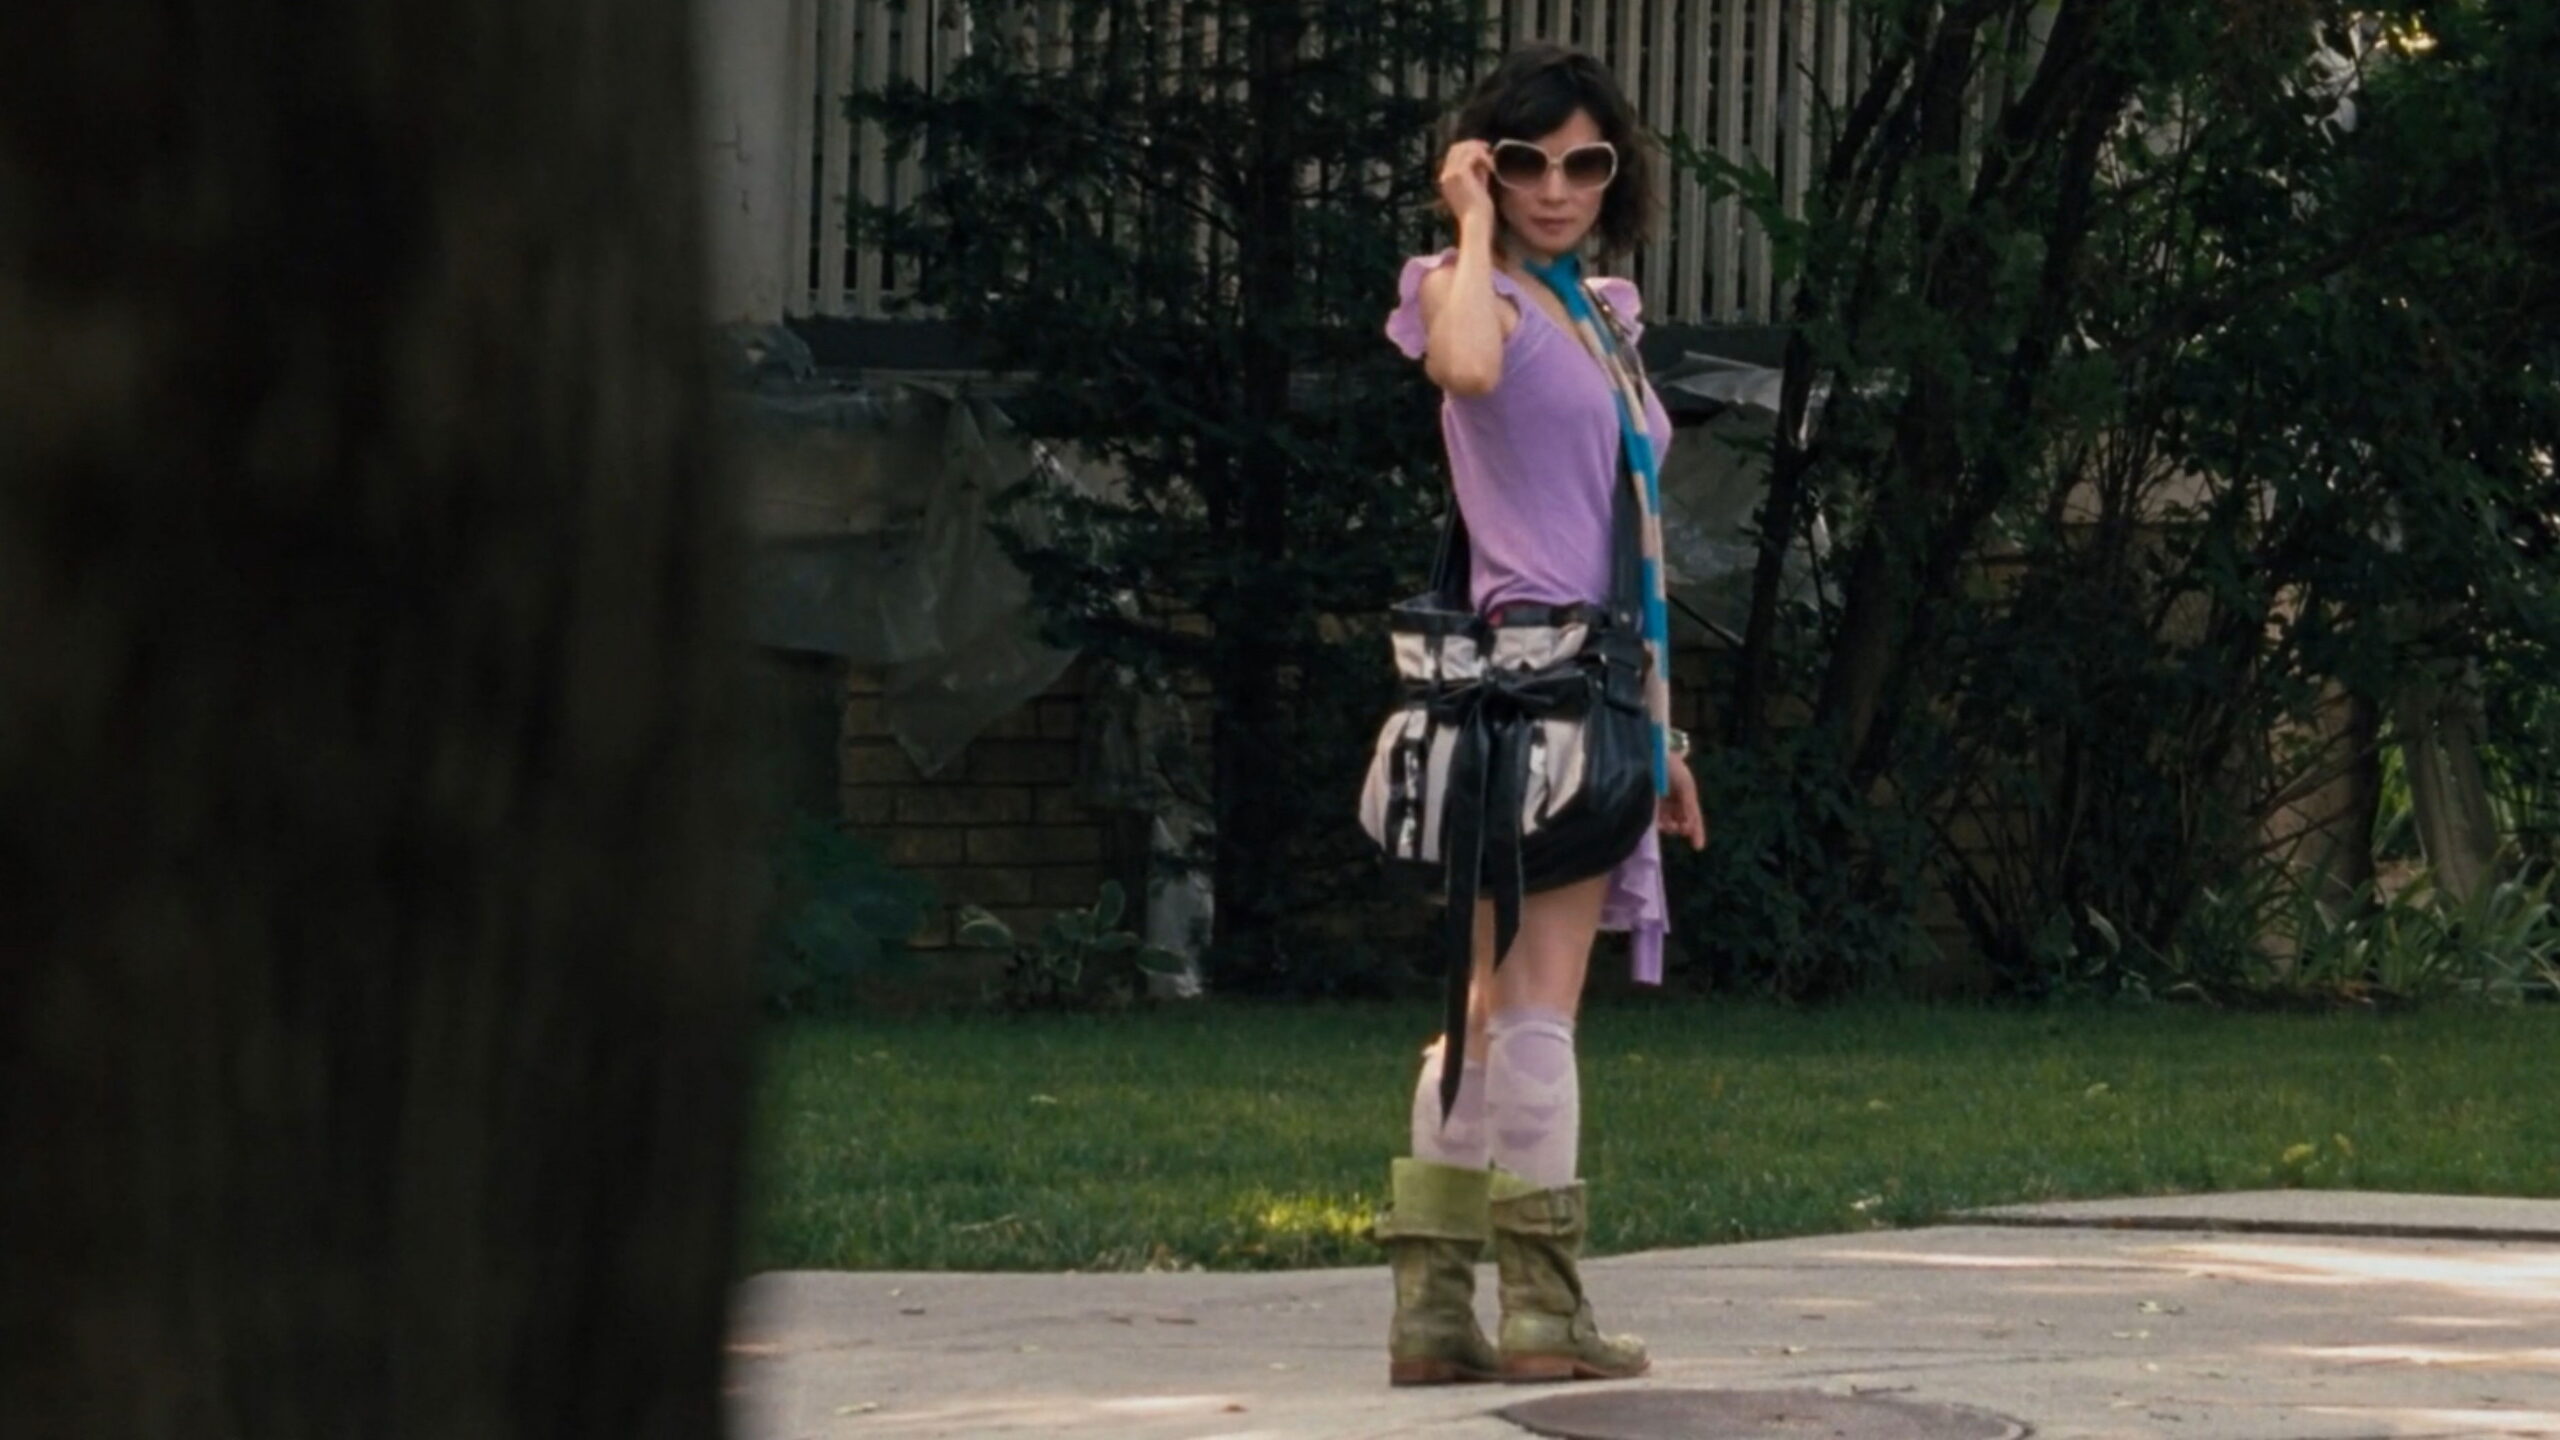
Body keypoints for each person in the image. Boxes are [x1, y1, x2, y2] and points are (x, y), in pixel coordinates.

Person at [1370, 42, 1708, 1387]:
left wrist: (1663, 736)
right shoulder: (1471, 293)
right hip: (1536, 691)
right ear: (1486, 165)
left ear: (1615, 174)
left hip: (1584, 686)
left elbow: (1637, 546)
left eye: (1584, 163)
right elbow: (1461, 373)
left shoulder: (1598, 313)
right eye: (1526, 162)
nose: (1556, 188)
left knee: (1485, 1004)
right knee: (1534, 1009)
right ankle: (1543, 1314)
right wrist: (1465, 224)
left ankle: (1433, 1315)